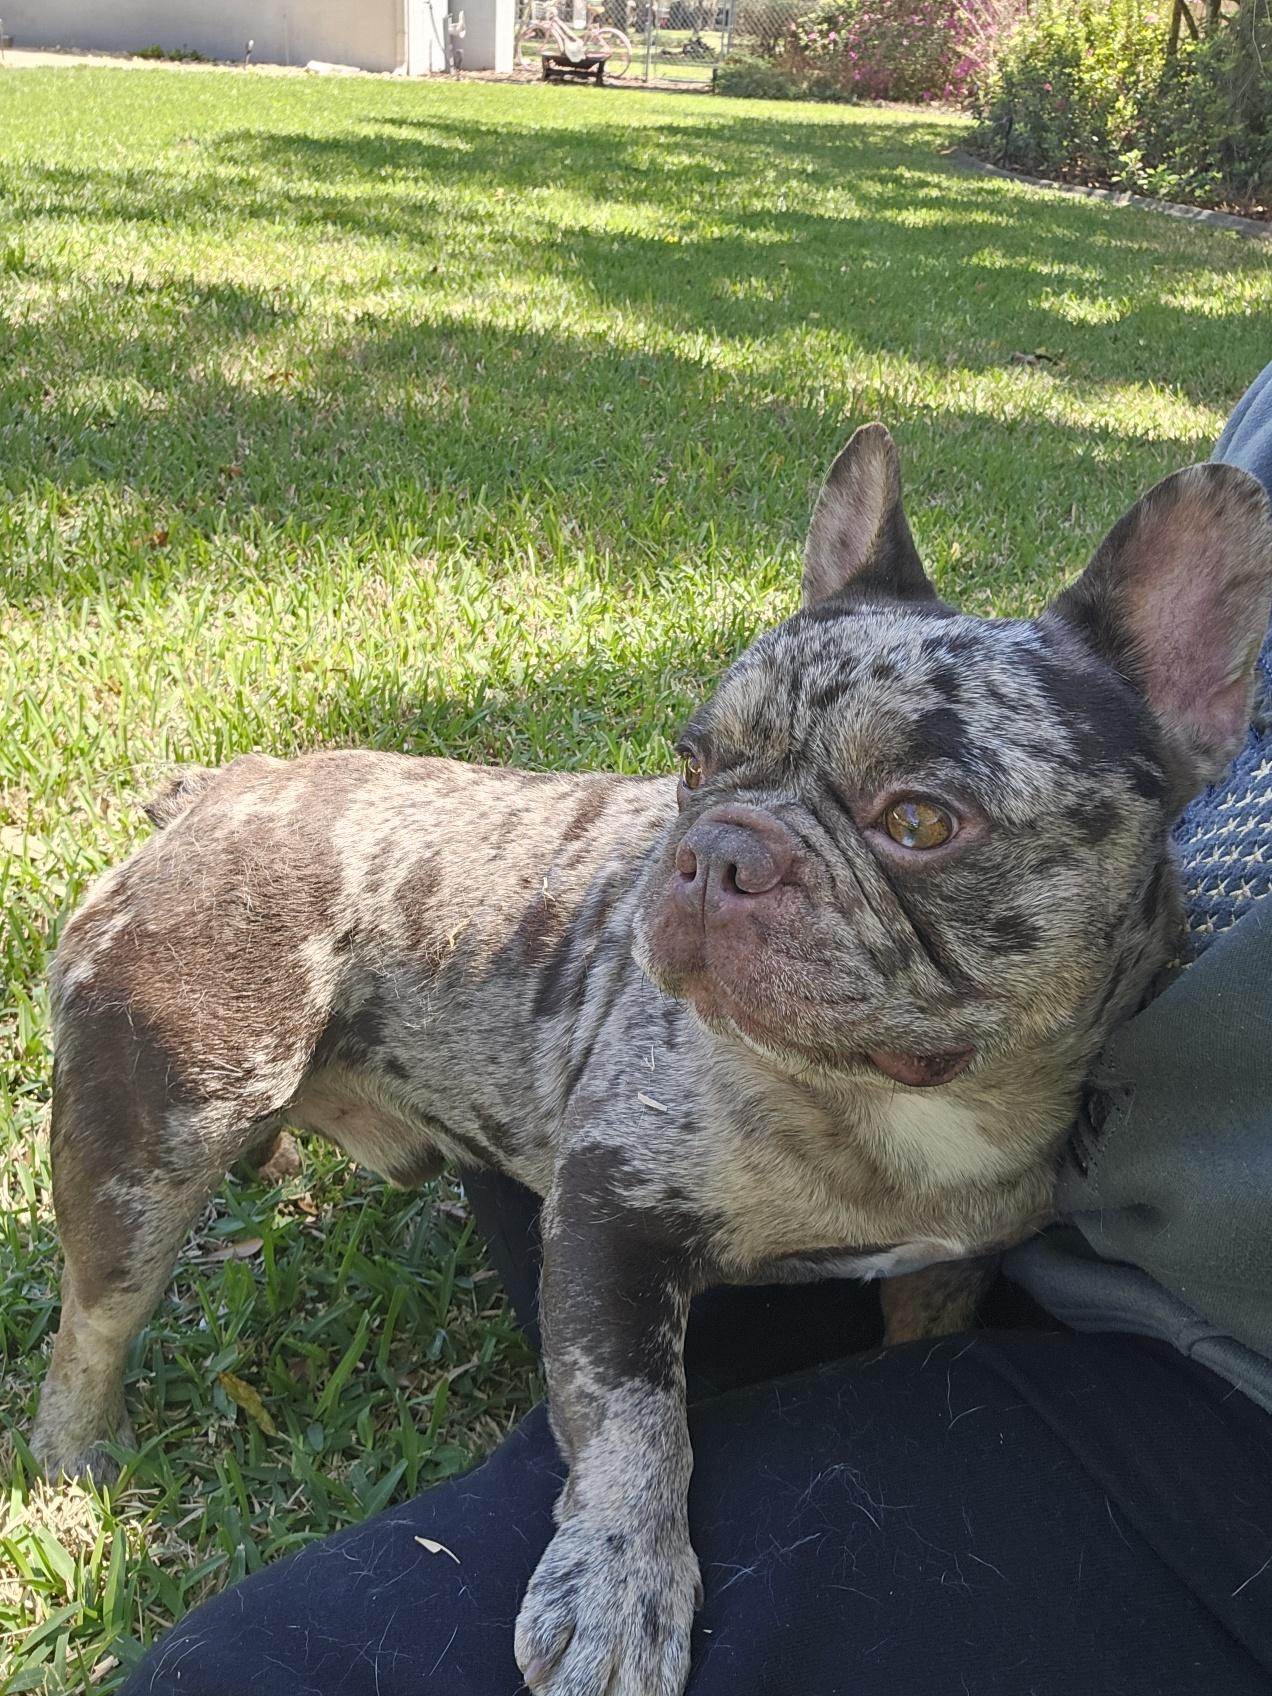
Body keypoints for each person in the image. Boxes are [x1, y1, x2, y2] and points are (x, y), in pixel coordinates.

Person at [122, 368, 1272, 1695]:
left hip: (1191, 1401)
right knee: (569, 1159)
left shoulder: (1123, 755)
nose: (720, 855)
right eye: (707, 774)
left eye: (916, 821)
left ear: (1193, 696)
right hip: (921, 1198)